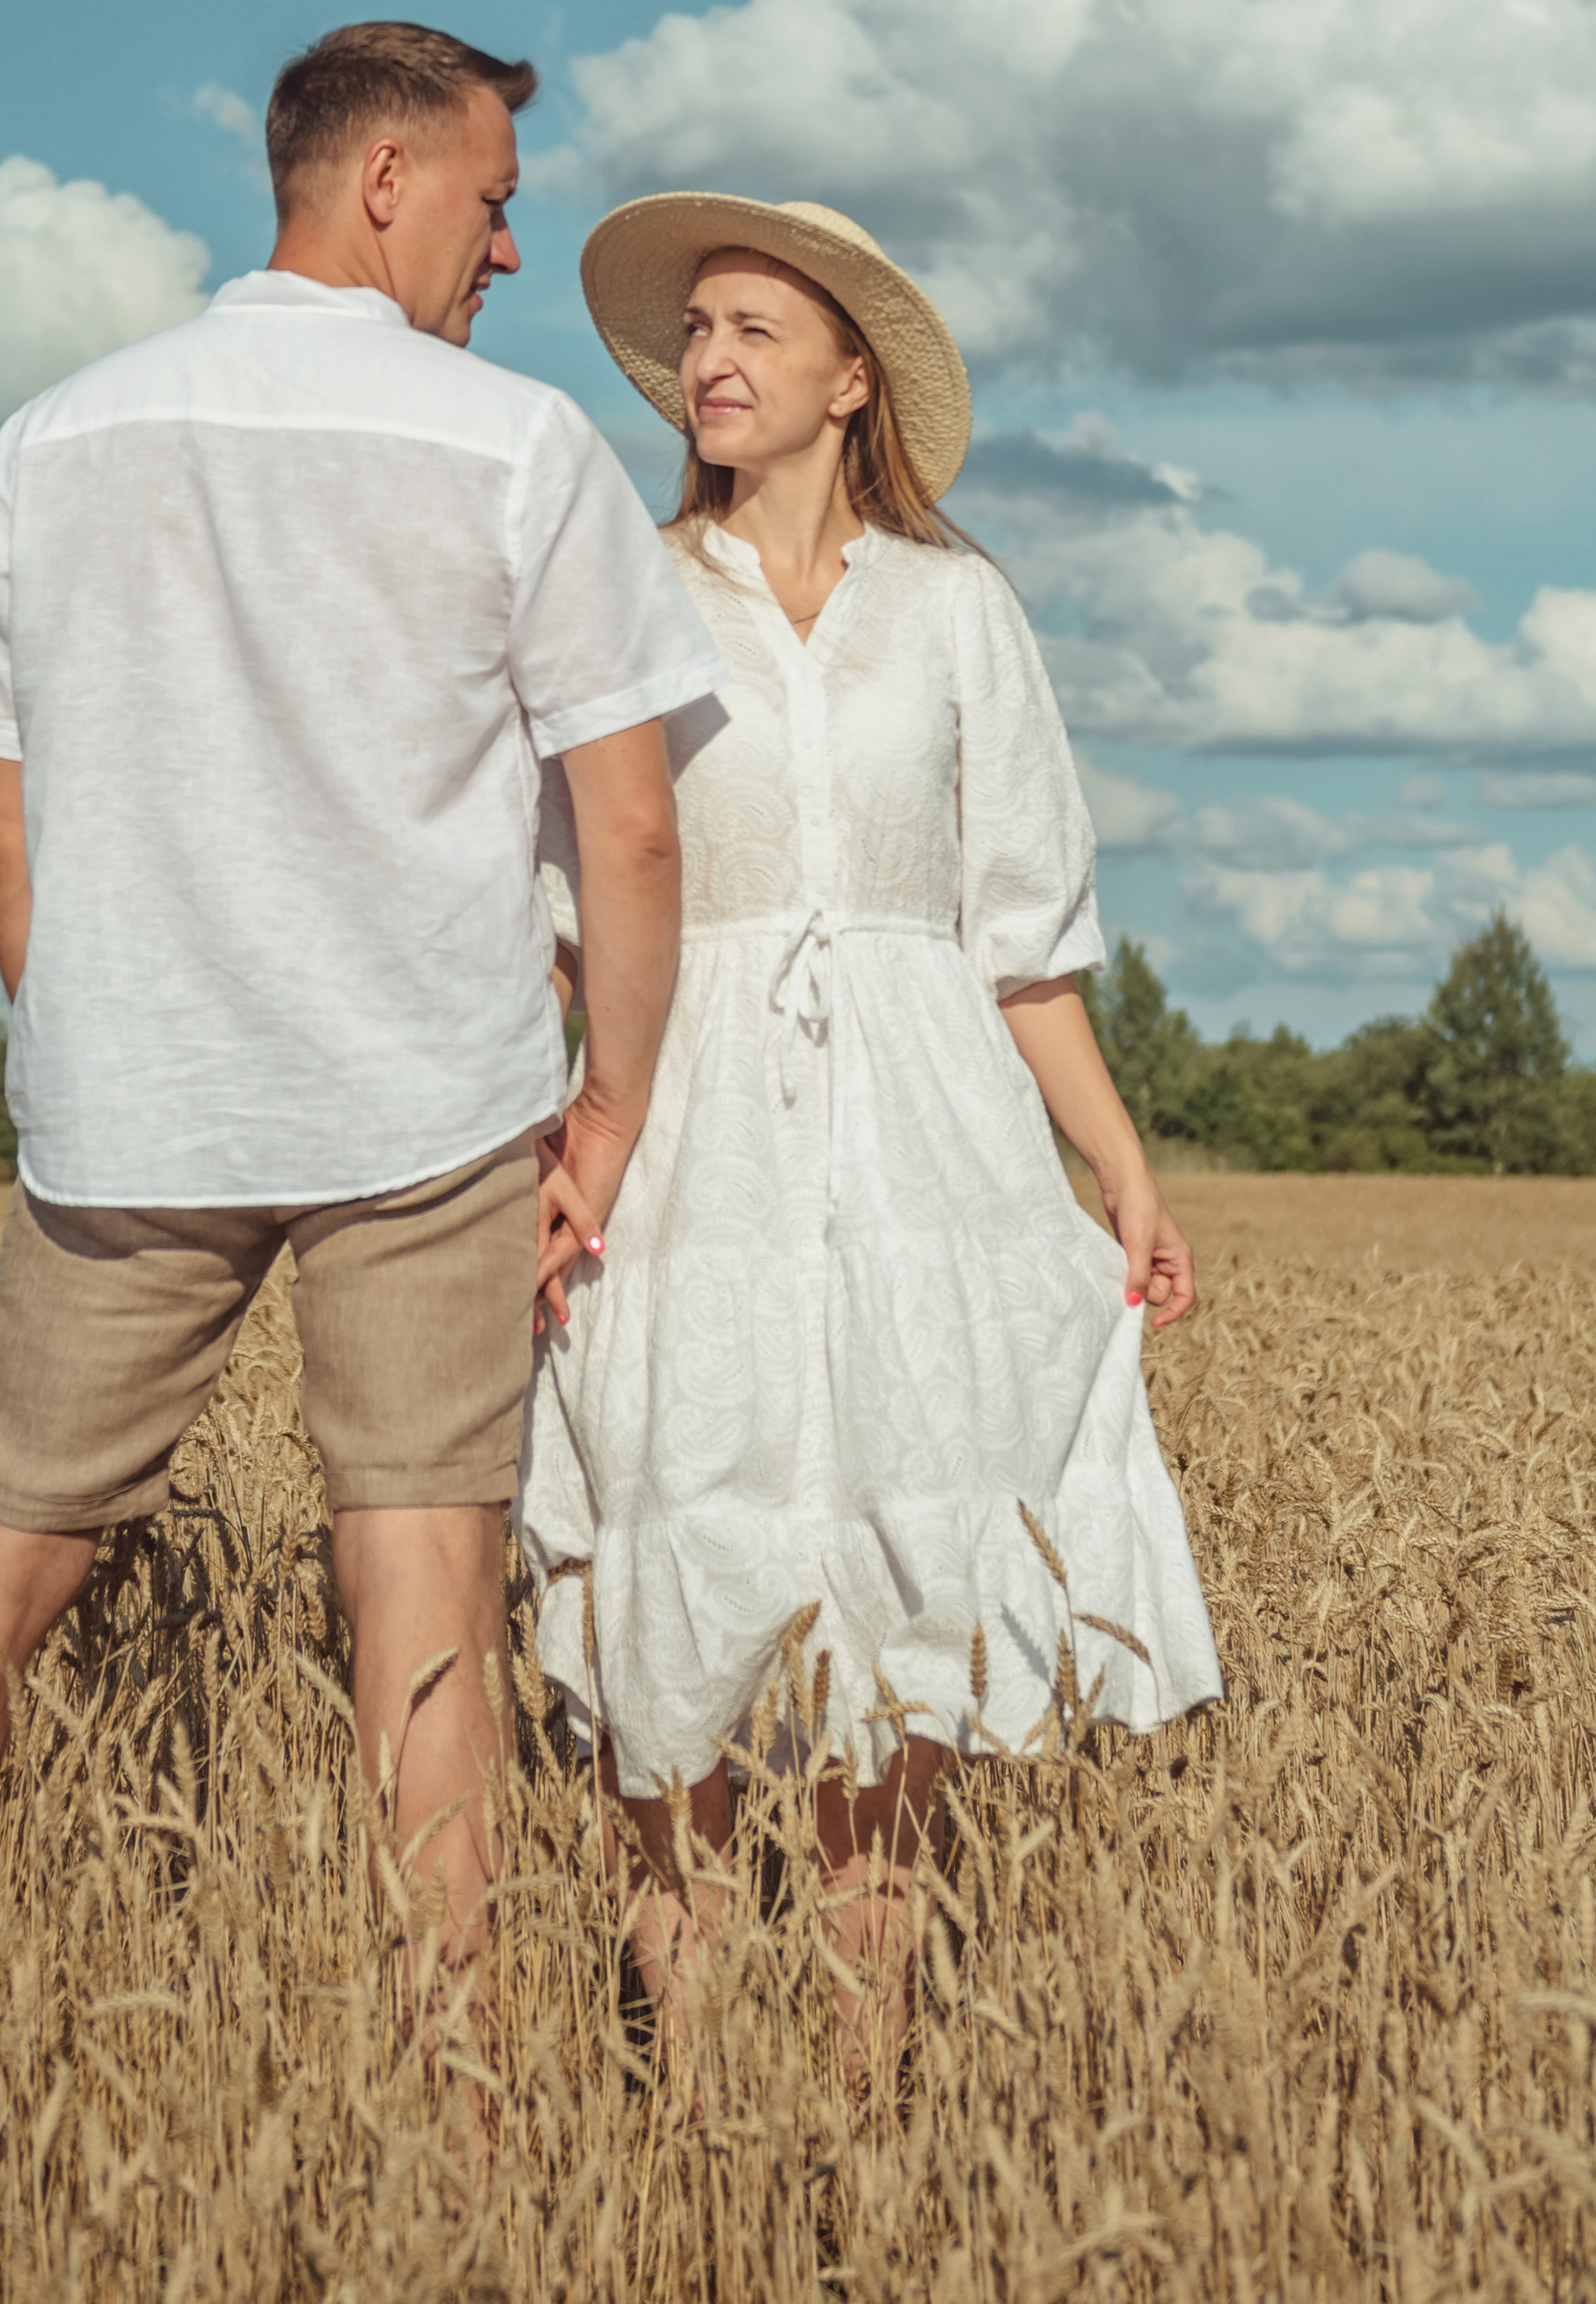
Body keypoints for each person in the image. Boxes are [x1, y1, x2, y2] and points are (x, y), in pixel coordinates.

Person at [0, 25, 721, 2007]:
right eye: (494, 202)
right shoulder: (511, 449)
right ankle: (457, 2082)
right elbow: (631, 821)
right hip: (429, 1101)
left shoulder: (57, 434)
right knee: (417, 1577)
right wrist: (612, 1111)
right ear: (386, 178)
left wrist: (90, 1029)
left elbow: (2, 792)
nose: (506, 251)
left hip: (126, 1114)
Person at [515, 193, 1223, 2066]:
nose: (711, 362)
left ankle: (849, 2124)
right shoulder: (621, 594)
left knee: (901, 1603)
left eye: (754, 331)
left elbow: (1026, 938)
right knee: (678, 1557)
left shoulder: (956, 608)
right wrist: (555, 1139)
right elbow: (555, 909)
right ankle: (694, 2109)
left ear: (850, 381)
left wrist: (1119, 1168)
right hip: (685, 1133)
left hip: (928, 1138)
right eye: (695, 336)